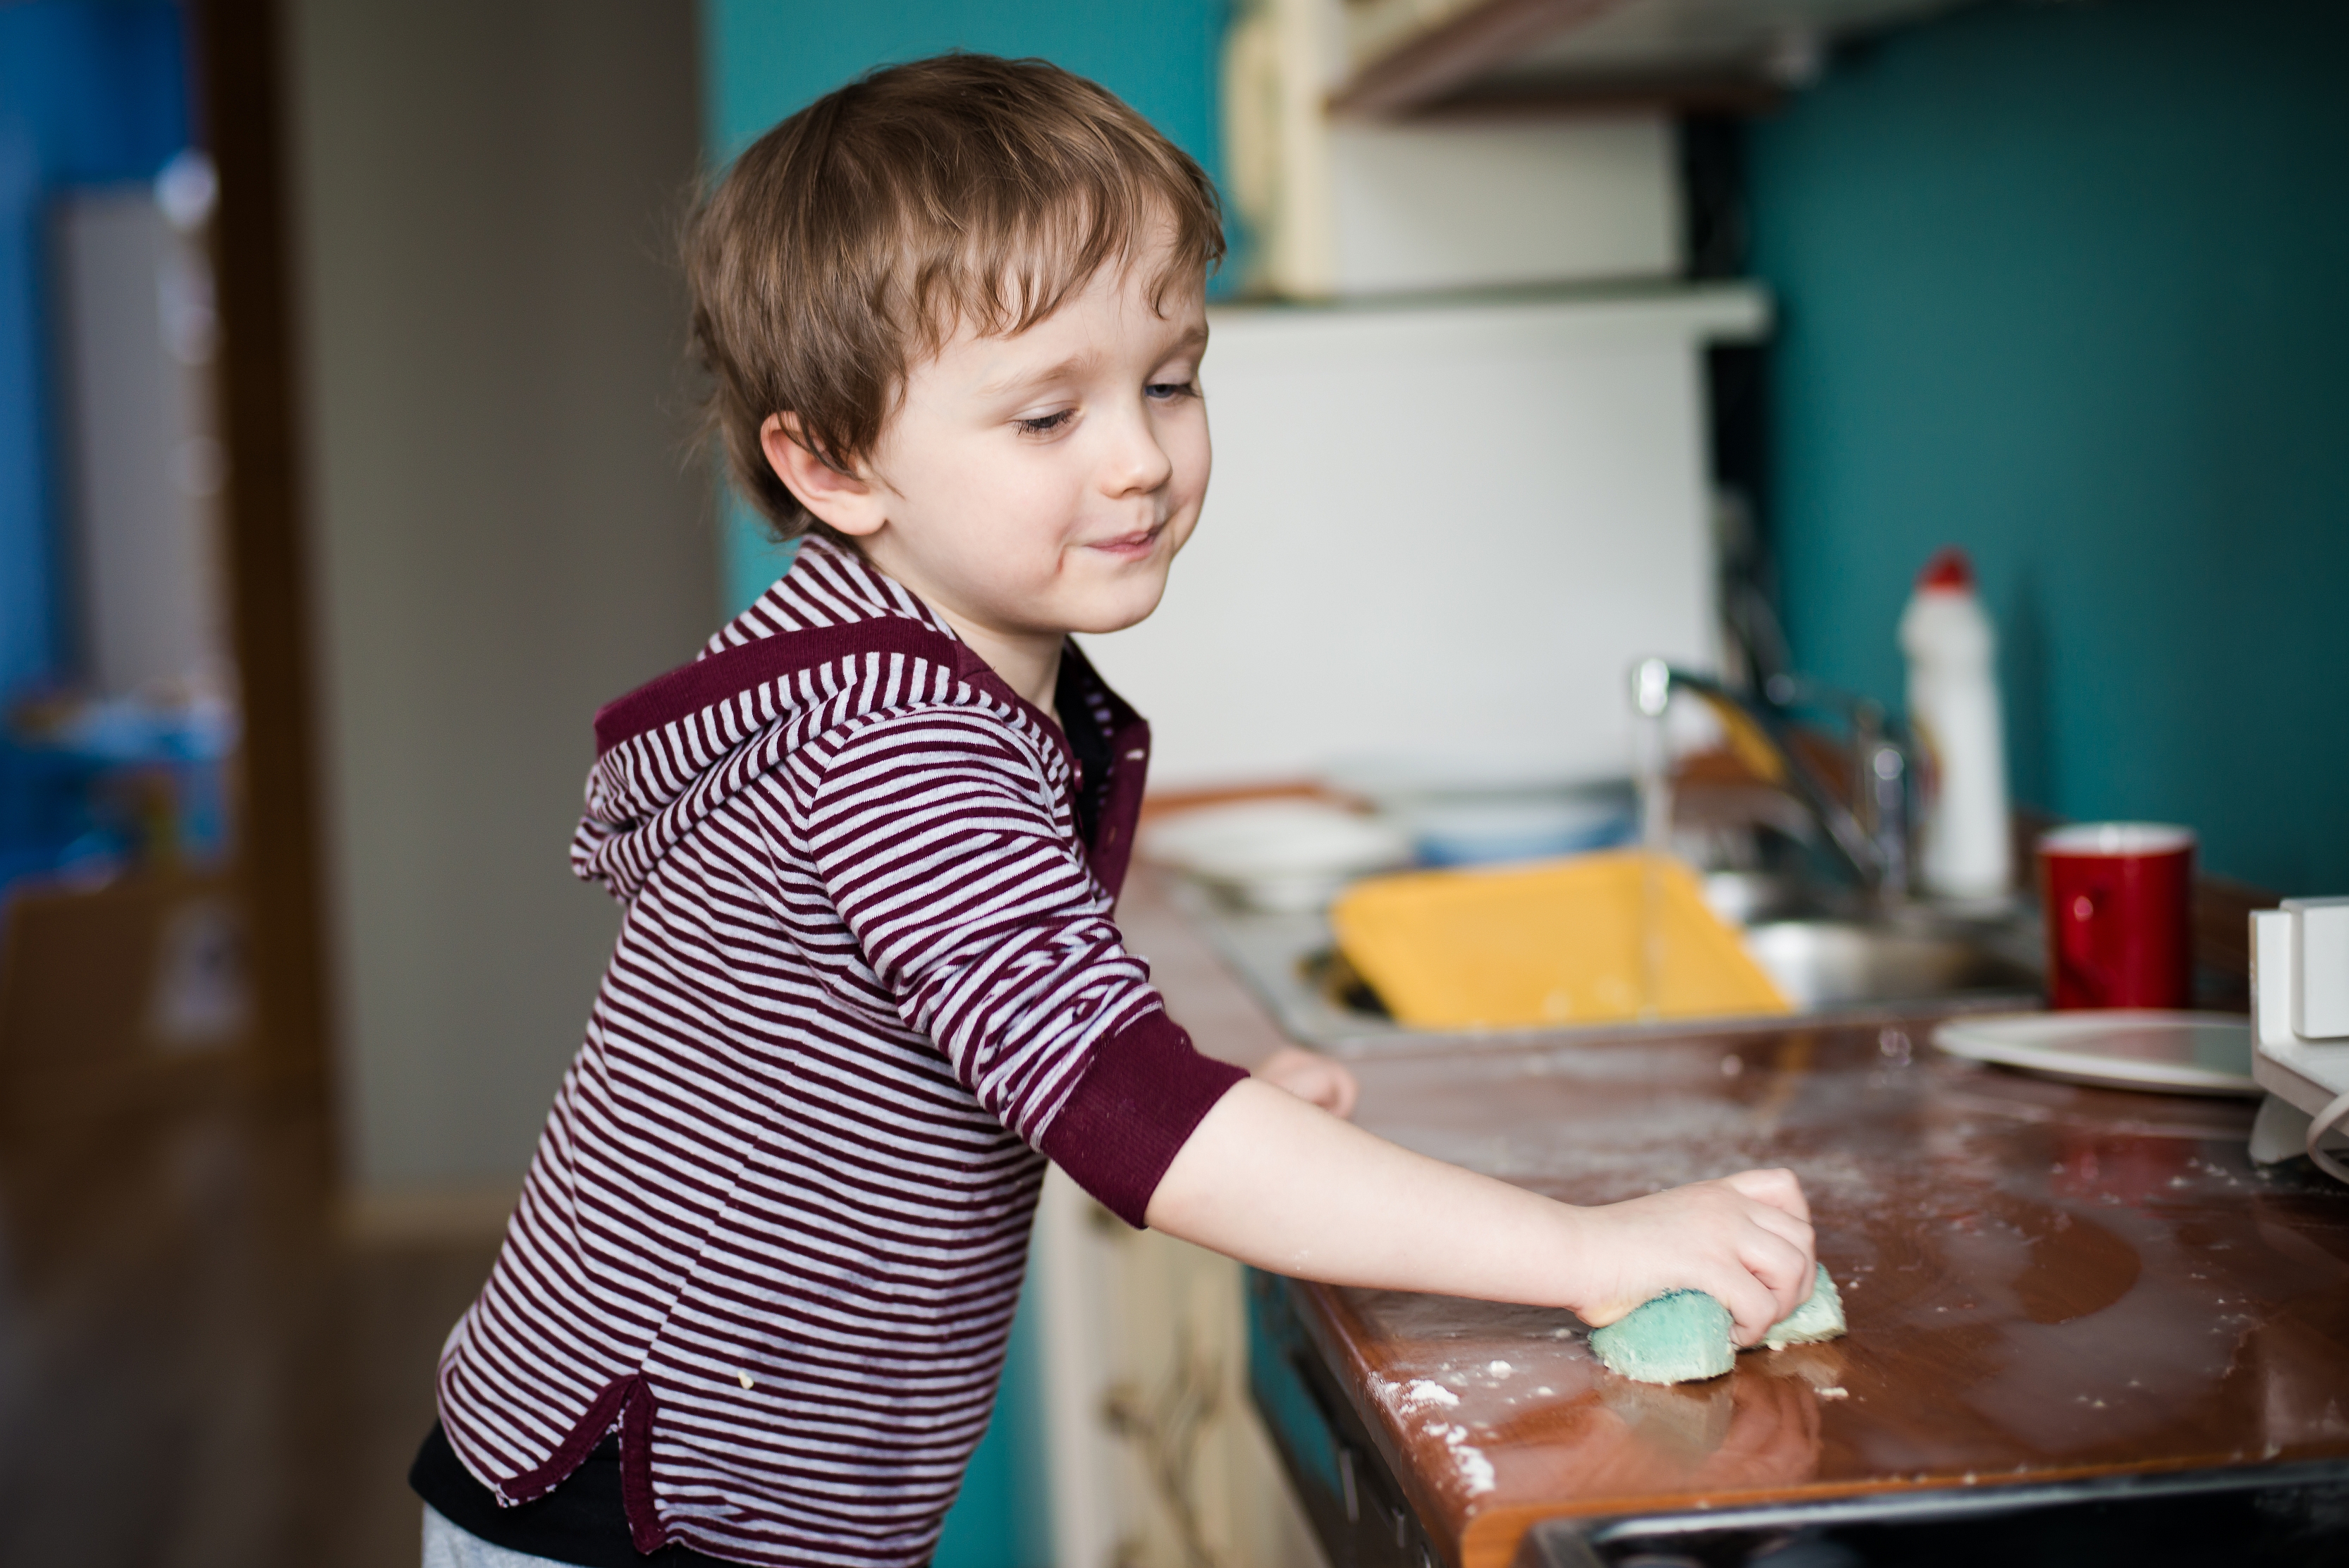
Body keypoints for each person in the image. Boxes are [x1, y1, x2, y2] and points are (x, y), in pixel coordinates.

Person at [409, 52, 1815, 1568]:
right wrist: (1583, 1247)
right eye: (1044, 417)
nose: (1140, 455)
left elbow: (1007, 1020)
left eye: (1167, 379)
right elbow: (1118, 1112)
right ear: (829, 460)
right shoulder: (890, 742)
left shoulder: (920, 678)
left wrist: (1199, 1084)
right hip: (651, 1511)